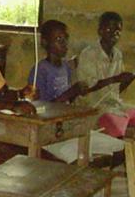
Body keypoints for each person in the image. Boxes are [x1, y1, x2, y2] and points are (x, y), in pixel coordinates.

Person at [76, 11, 135, 176]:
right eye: (109, 29)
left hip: (116, 105)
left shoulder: (117, 54)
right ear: (100, 30)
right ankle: (103, 176)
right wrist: (115, 78)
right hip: (96, 107)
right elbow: (86, 88)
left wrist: (134, 76)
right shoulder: (88, 54)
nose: (114, 34)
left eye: (118, 30)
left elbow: (118, 89)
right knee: (117, 135)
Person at [28, 19, 123, 164]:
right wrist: (71, 92)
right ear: (45, 43)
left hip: (68, 126)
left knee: (120, 150)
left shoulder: (66, 67)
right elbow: (39, 109)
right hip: (50, 133)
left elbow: (69, 101)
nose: (64, 43)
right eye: (58, 39)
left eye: (66, 38)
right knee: (79, 158)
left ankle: (87, 171)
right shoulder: (40, 71)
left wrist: (77, 92)